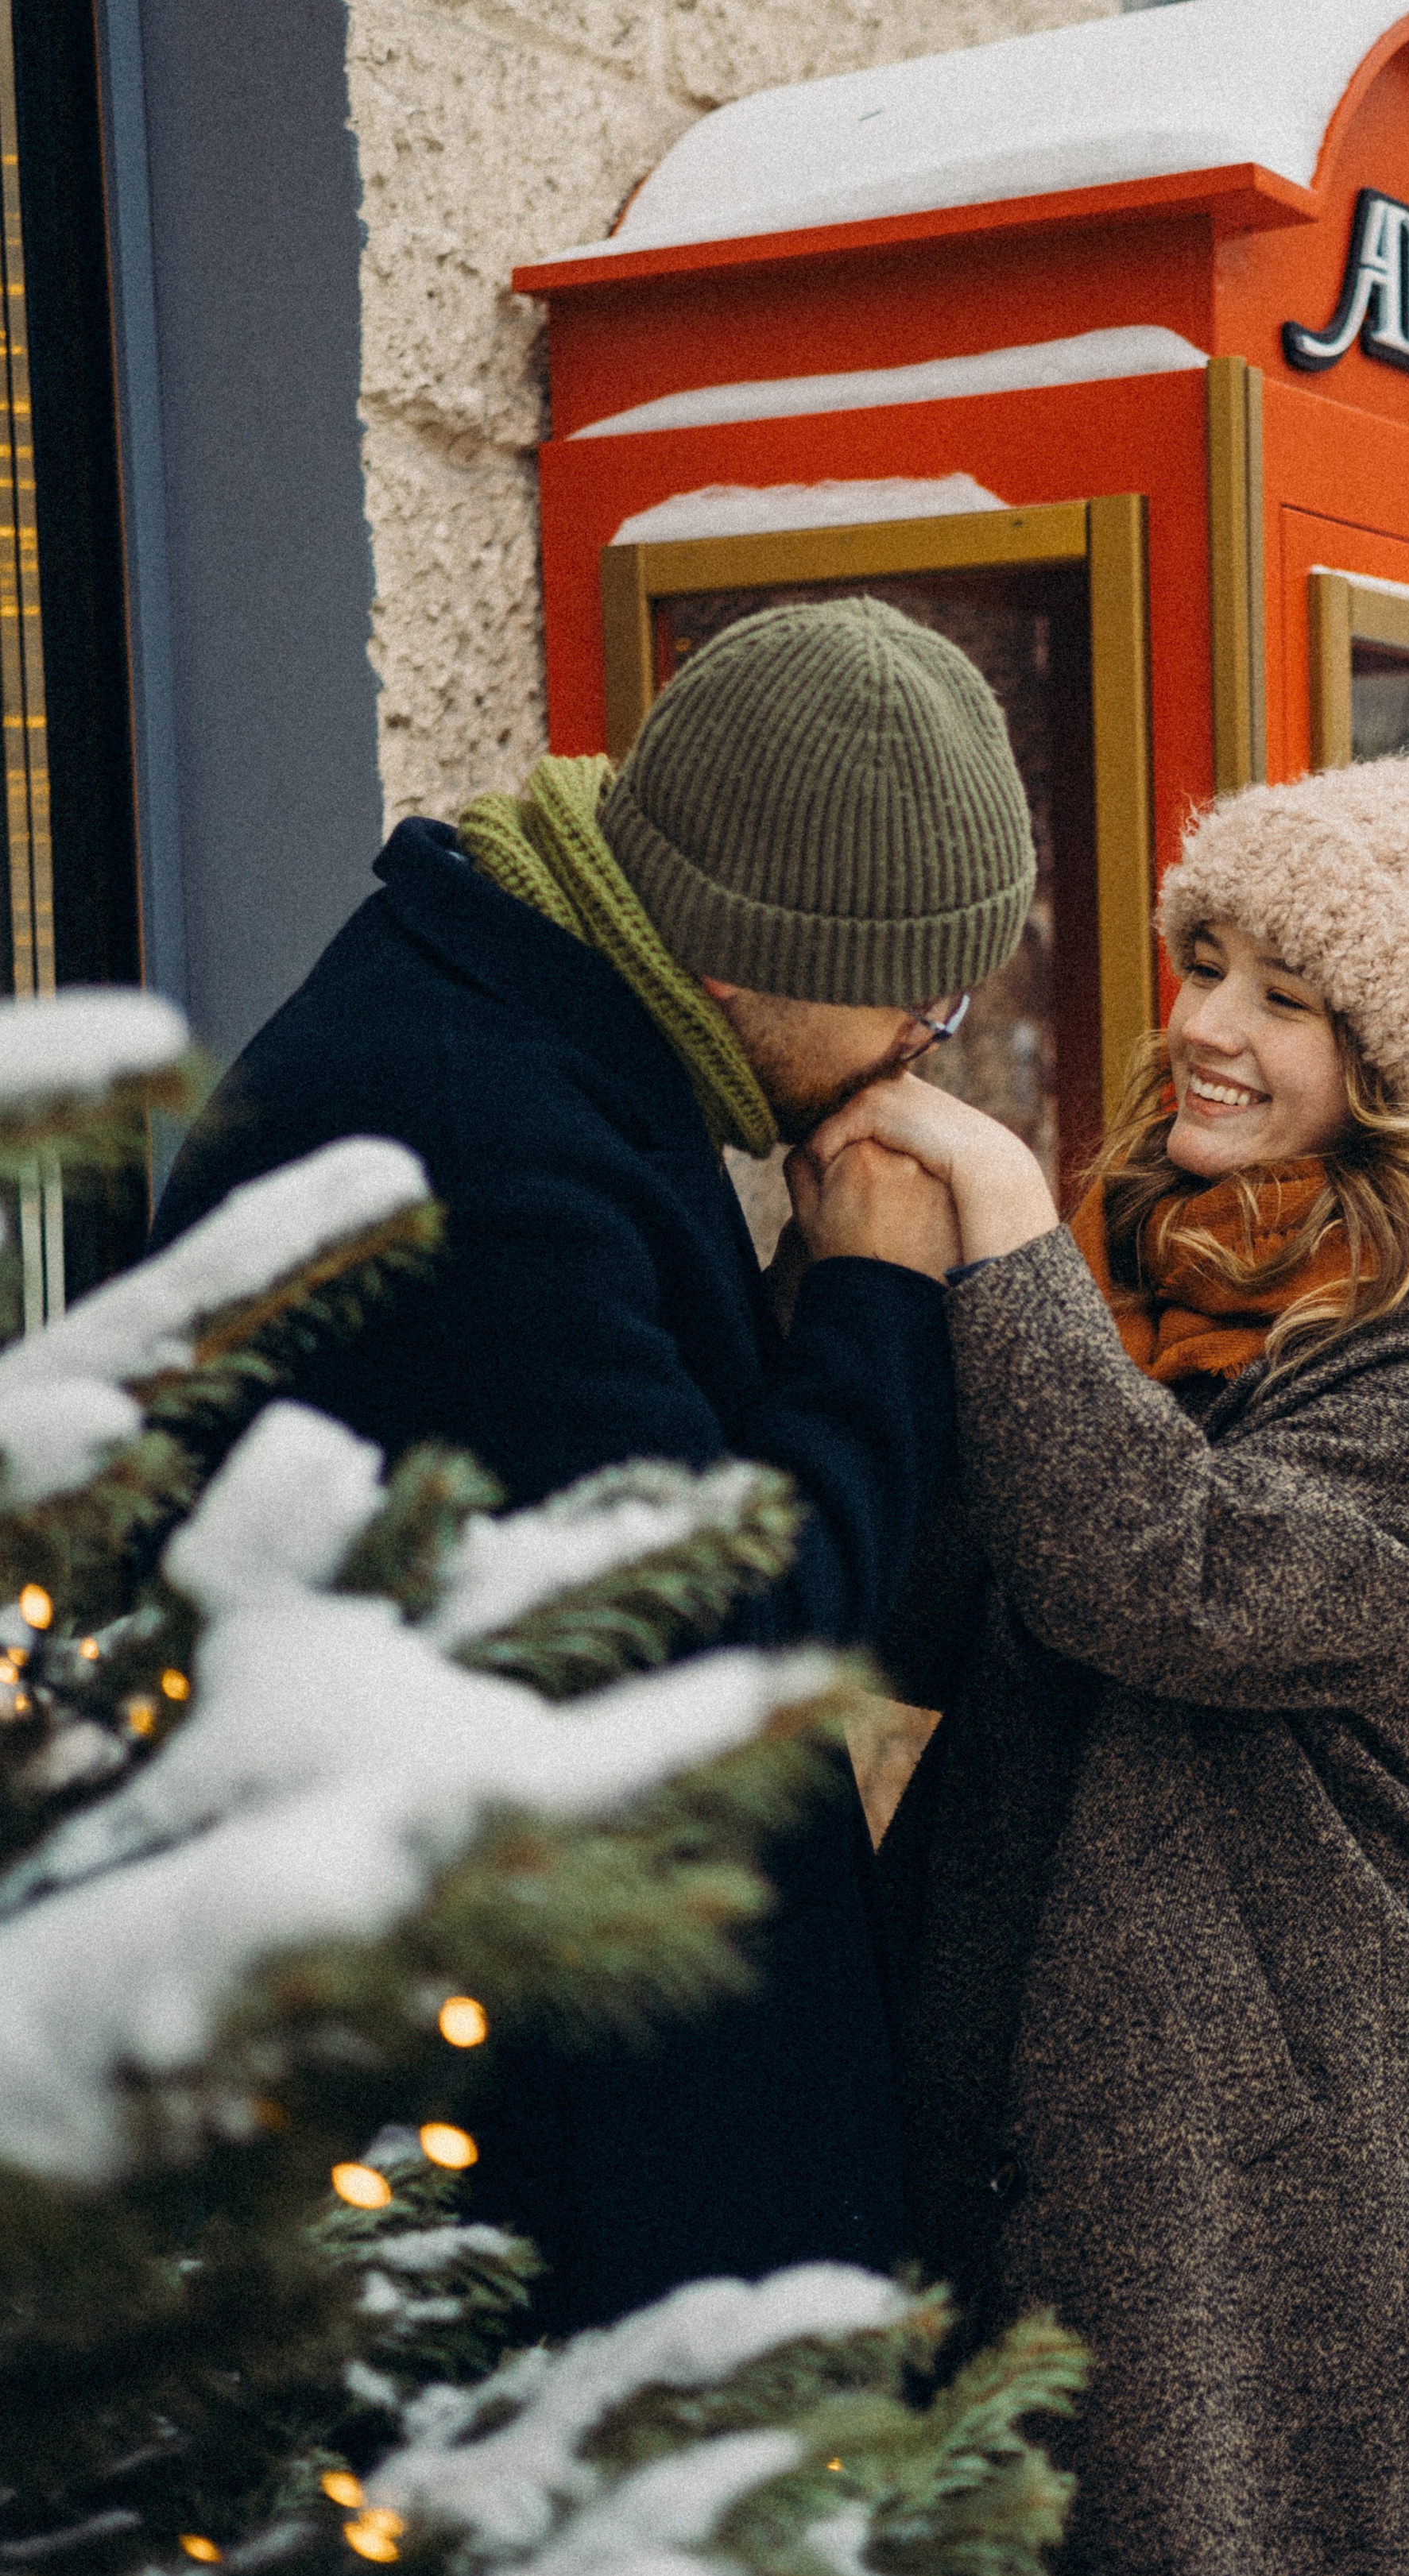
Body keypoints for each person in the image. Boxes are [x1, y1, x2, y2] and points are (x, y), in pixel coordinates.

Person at [803, 750, 1409, 2576]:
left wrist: (991, 1208)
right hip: (1026, 2166)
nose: (1202, 1029)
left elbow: (1165, 1572)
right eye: (1201, 961)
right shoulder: (1143, 1308)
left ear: (1403, 1053)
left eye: (1281, 993)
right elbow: (925, 1608)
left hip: (1289, 2215)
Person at [149, 596, 1034, 2326]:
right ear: (745, 949)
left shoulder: (522, 1024)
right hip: (558, 2198)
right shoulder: (486, 1141)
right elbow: (723, 1647)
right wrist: (871, 1290)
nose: (926, 1042)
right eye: (917, 993)